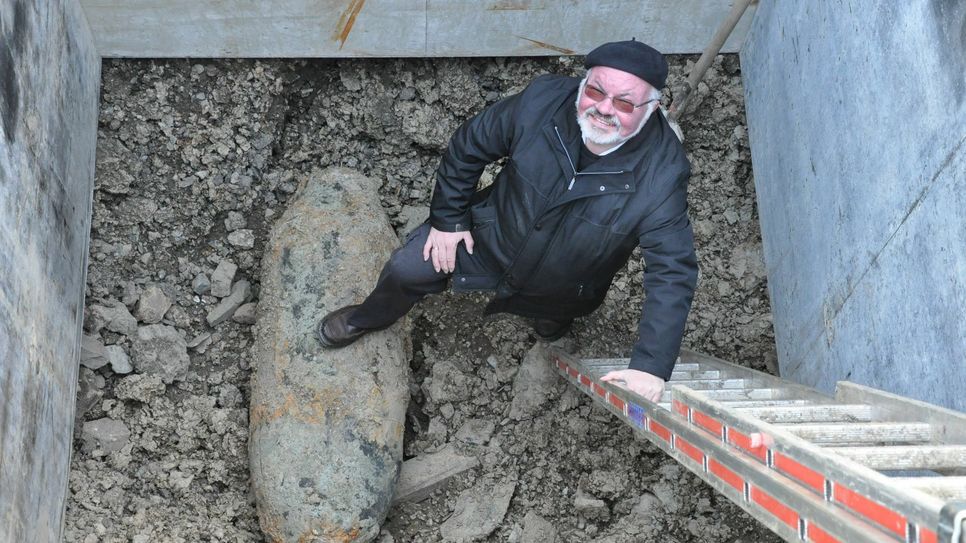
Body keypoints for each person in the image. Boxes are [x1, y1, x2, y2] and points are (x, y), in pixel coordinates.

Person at [317, 39, 698, 403]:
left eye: (625, 103)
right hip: (488, 239)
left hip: (566, 282)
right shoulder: (541, 103)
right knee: (405, 270)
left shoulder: (663, 174)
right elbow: (469, 145)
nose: (604, 108)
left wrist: (651, 365)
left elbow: (672, 271)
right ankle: (367, 318)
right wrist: (449, 221)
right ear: (583, 84)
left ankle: (552, 325)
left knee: (553, 318)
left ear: (652, 108)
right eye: (596, 92)